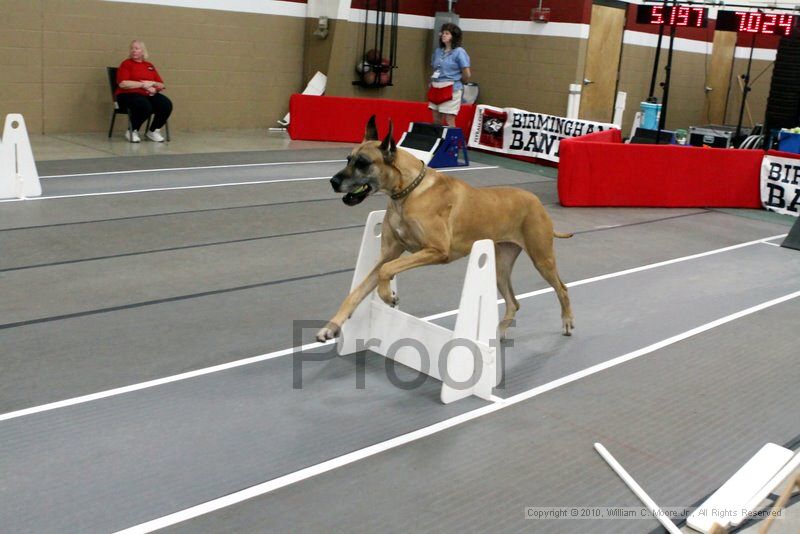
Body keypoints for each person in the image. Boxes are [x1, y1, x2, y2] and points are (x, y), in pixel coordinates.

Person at [115, 40, 172, 143]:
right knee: (144, 106)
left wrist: (153, 85)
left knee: (166, 104)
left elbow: (161, 84)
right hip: (127, 94)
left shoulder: (149, 65)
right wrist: (143, 85)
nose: (133, 51)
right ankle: (132, 130)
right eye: (132, 48)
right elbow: (123, 83)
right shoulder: (126, 64)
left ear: (143, 51)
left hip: (147, 94)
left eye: (136, 48)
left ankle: (153, 131)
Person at [428, 23, 471, 127]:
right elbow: (435, 68)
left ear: (454, 36)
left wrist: (458, 81)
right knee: (436, 119)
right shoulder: (438, 51)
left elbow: (467, 74)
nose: (443, 35)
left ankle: (451, 142)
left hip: (451, 88)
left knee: (449, 119)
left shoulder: (459, 52)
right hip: (436, 87)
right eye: (442, 33)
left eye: (447, 33)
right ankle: (438, 141)